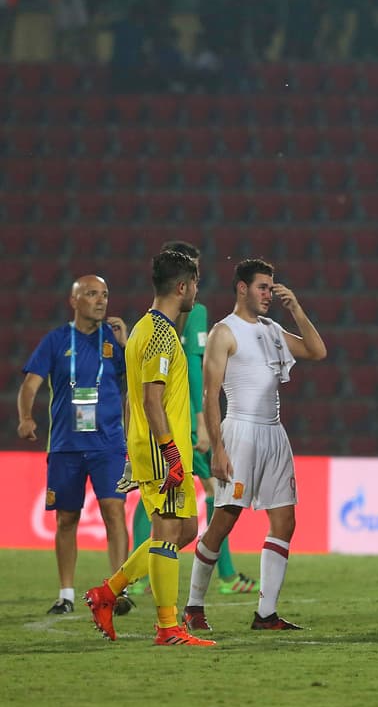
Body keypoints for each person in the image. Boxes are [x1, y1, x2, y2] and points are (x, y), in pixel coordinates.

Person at [182, 258, 326, 632]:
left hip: (274, 433)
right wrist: (218, 447)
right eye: (263, 287)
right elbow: (211, 396)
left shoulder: (273, 329)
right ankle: (194, 606)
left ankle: (266, 614)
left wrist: (296, 309)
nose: (269, 294)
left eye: (271, 287)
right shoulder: (223, 332)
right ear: (242, 288)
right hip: (241, 432)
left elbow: (317, 350)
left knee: (285, 520)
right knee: (224, 520)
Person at [84, 250, 215, 646]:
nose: (196, 291)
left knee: (185, 529)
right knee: (166, 531)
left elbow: (130, 400)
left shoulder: (143, 328)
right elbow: (150, 400)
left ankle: (107, 593)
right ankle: (168, 627)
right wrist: (171, 454)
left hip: (154, 446)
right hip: (164, 449)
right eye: (194, 284)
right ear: (182, 287)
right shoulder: (159, 333)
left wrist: (131, 452)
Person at [134, 241, 256, 603]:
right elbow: (198, 376)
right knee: (210, 497)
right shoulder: (183, 320)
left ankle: (128, 581)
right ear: (182, 283)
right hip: (178, 426)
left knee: (171, 513)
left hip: (164, 427)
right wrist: (204, 423)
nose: (198, 283)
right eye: (195, 276)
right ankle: (222, 577)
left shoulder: (148, 324)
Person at [18, 276, 129, 615]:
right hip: (67, 445)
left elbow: (141, 383)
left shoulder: (113, 340)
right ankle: (66, 595)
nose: (101, 301)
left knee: (114, 511)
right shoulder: (55, 341)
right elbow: (30, 385)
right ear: (74, 301)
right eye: (92, 294)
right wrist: (26, 417)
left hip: (108, 444)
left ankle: (117, 590)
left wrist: (126, 345)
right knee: (67, 518)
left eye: (105, 294)